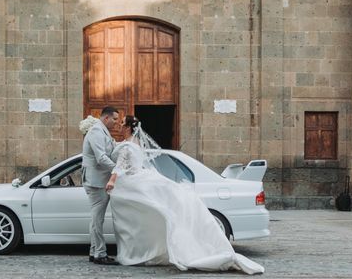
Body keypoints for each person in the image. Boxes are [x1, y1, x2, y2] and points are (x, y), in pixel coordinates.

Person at [105, 115, 264, 274]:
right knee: (145, 217)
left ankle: (139, 252)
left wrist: (112, 181)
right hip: (140, 179)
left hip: (133, 182)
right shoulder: (136, 143)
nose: (119, 125)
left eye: (121, 123)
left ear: (127, 127)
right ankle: (145, 251)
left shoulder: (127, 146)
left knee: (138, 220)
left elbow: (120, 166)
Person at [81, 106, 120, 265]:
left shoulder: (102, 131)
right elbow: (101, 158)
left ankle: (93, 251)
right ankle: (100, 254)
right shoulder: (97, 131)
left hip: (98, 180)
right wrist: (118, 170)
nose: (116, 122)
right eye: (115, 119)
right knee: (97, 219)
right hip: (96, 182)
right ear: (106, 118)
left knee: (97, 219)